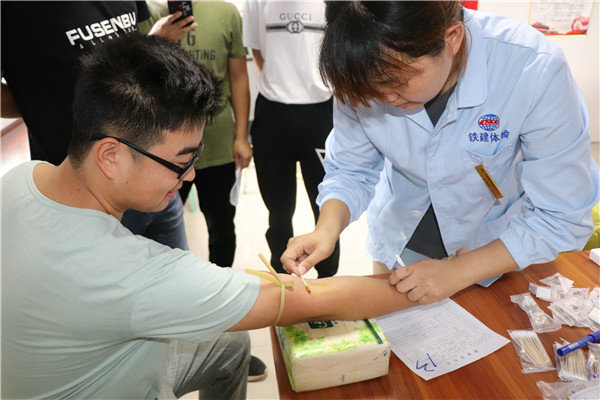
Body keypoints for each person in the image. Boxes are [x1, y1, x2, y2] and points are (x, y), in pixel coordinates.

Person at [1, 34, 416, 399]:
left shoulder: (23, 178)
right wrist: (435, 282)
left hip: (68, 362)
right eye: (181, 161)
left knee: (229, 345)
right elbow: (310, 300)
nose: (191, 175)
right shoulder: (131, 272)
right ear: (111, 156)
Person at [282, 1, 599, 305]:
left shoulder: (532, 67)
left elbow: (561, 213)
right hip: (400, 240)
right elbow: (351, 169)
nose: (385, 98)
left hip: (498, 250)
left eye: (395, 82)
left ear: (452, 38)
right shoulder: (360, 67)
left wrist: (458, 271)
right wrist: (326, 229)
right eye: (370, 90)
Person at [0, 1, 196, 250]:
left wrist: (154, 40)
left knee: (176, 270)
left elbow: (119, 60)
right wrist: (38, 102)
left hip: (156, 176)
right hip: (86, 197)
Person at [138, 0, 261, 382]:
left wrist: (242, 135)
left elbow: (238, 76)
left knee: (222, 230)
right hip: (160, 154)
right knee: (157, 243)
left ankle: (219, 325)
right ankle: (167, 333)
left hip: (219, 145)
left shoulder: (225, 13)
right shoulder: (147, 14)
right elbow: (133, 84)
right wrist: (158, 40)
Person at [243, 0, 340, 277]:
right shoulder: (256, 2)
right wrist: (286, 84)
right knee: (278, 212)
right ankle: (282, 278)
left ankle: (328, 280)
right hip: (273, 113)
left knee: (326, 208)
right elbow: (257, 52)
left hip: (321, 112)